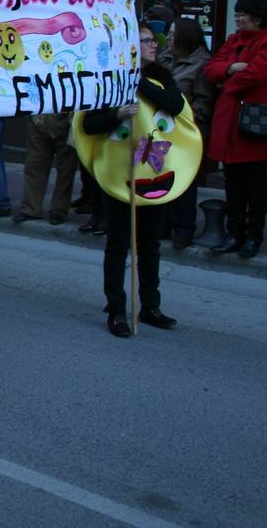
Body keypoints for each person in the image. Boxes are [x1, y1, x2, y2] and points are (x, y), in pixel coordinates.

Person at [80, 28, 181, 338]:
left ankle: (150, 306)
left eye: (154, 41)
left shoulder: (161, 76)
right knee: (119, 242)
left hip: (153, 173)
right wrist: (118, 114)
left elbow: (174, 105)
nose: (154, 46)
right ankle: (116, 309)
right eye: (147, 41)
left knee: (150, 243)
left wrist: (137, 82)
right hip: (119, 174)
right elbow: (89, 123)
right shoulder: (108, 78)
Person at [204, 0, 267, 259]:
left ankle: (254, 236)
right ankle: (235, 233)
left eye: (242, 14)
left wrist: (226, 84)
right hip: (232, 124)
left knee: (255, 184)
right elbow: (211, 69)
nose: (237, 18)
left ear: (258, 18)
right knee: (233, 183)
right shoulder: (234, 41)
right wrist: (231, 67)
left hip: (255, 124)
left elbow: (256, 73)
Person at [166, 18, 214, 247]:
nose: (168, 36)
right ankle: (164, 225)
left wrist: (184, 119)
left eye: (173, 33)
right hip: (161, 128)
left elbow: (205, 102)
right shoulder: (165, 58)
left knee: (184, 182)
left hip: (187, 131)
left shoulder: (202, 64)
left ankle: (184, 228)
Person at [14, 113, 77, 225]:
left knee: (66, 170)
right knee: (34, 166)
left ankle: (59, 210)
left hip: (66, 120)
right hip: (39, 119)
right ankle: (31, 209)